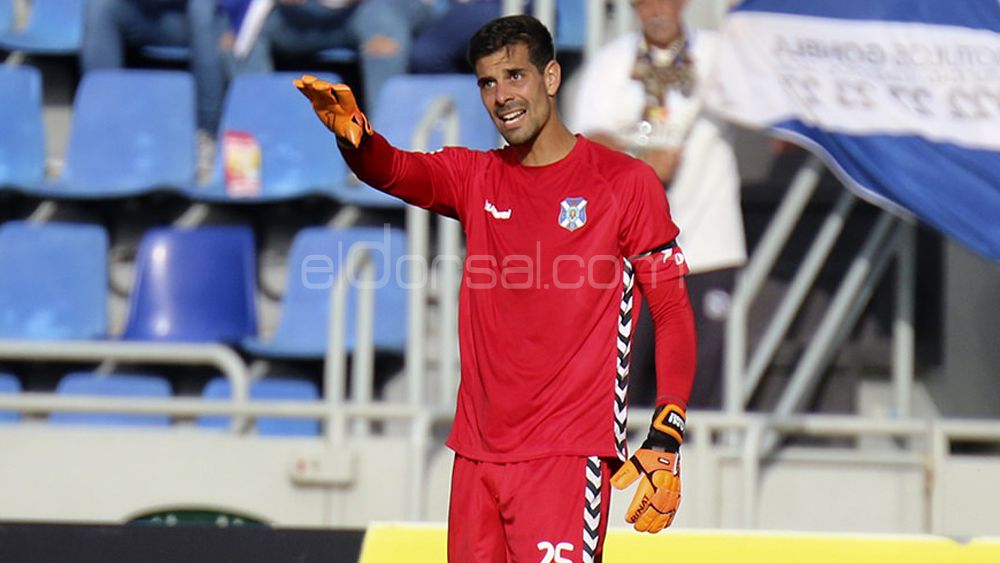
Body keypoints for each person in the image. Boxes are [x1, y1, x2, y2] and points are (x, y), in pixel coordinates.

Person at [295, 15, 696, 561]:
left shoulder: (624, 184)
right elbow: (394, 170)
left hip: (565, 456)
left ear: (551, 77)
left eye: (515, 76)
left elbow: (671, 309)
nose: (502, 96)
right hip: (477, 458)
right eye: (487, 82)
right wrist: (357, 140)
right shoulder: (475, 176)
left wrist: (667, 433)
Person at [567, 0, 747, 409]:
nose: (656, 10)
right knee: (626, 388)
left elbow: (764, 95)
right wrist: (638, 158)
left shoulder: (719, 55)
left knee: (700, 390)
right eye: (645, 2)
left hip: (708, 248)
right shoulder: (611, 62)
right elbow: (584, 141)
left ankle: (697, 471)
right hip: (634, 253)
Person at [236, 0, 438, 110]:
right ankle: (254, 140)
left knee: (382, 32)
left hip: (375, 8)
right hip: (300, 15)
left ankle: (388, 152)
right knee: (236, 34)